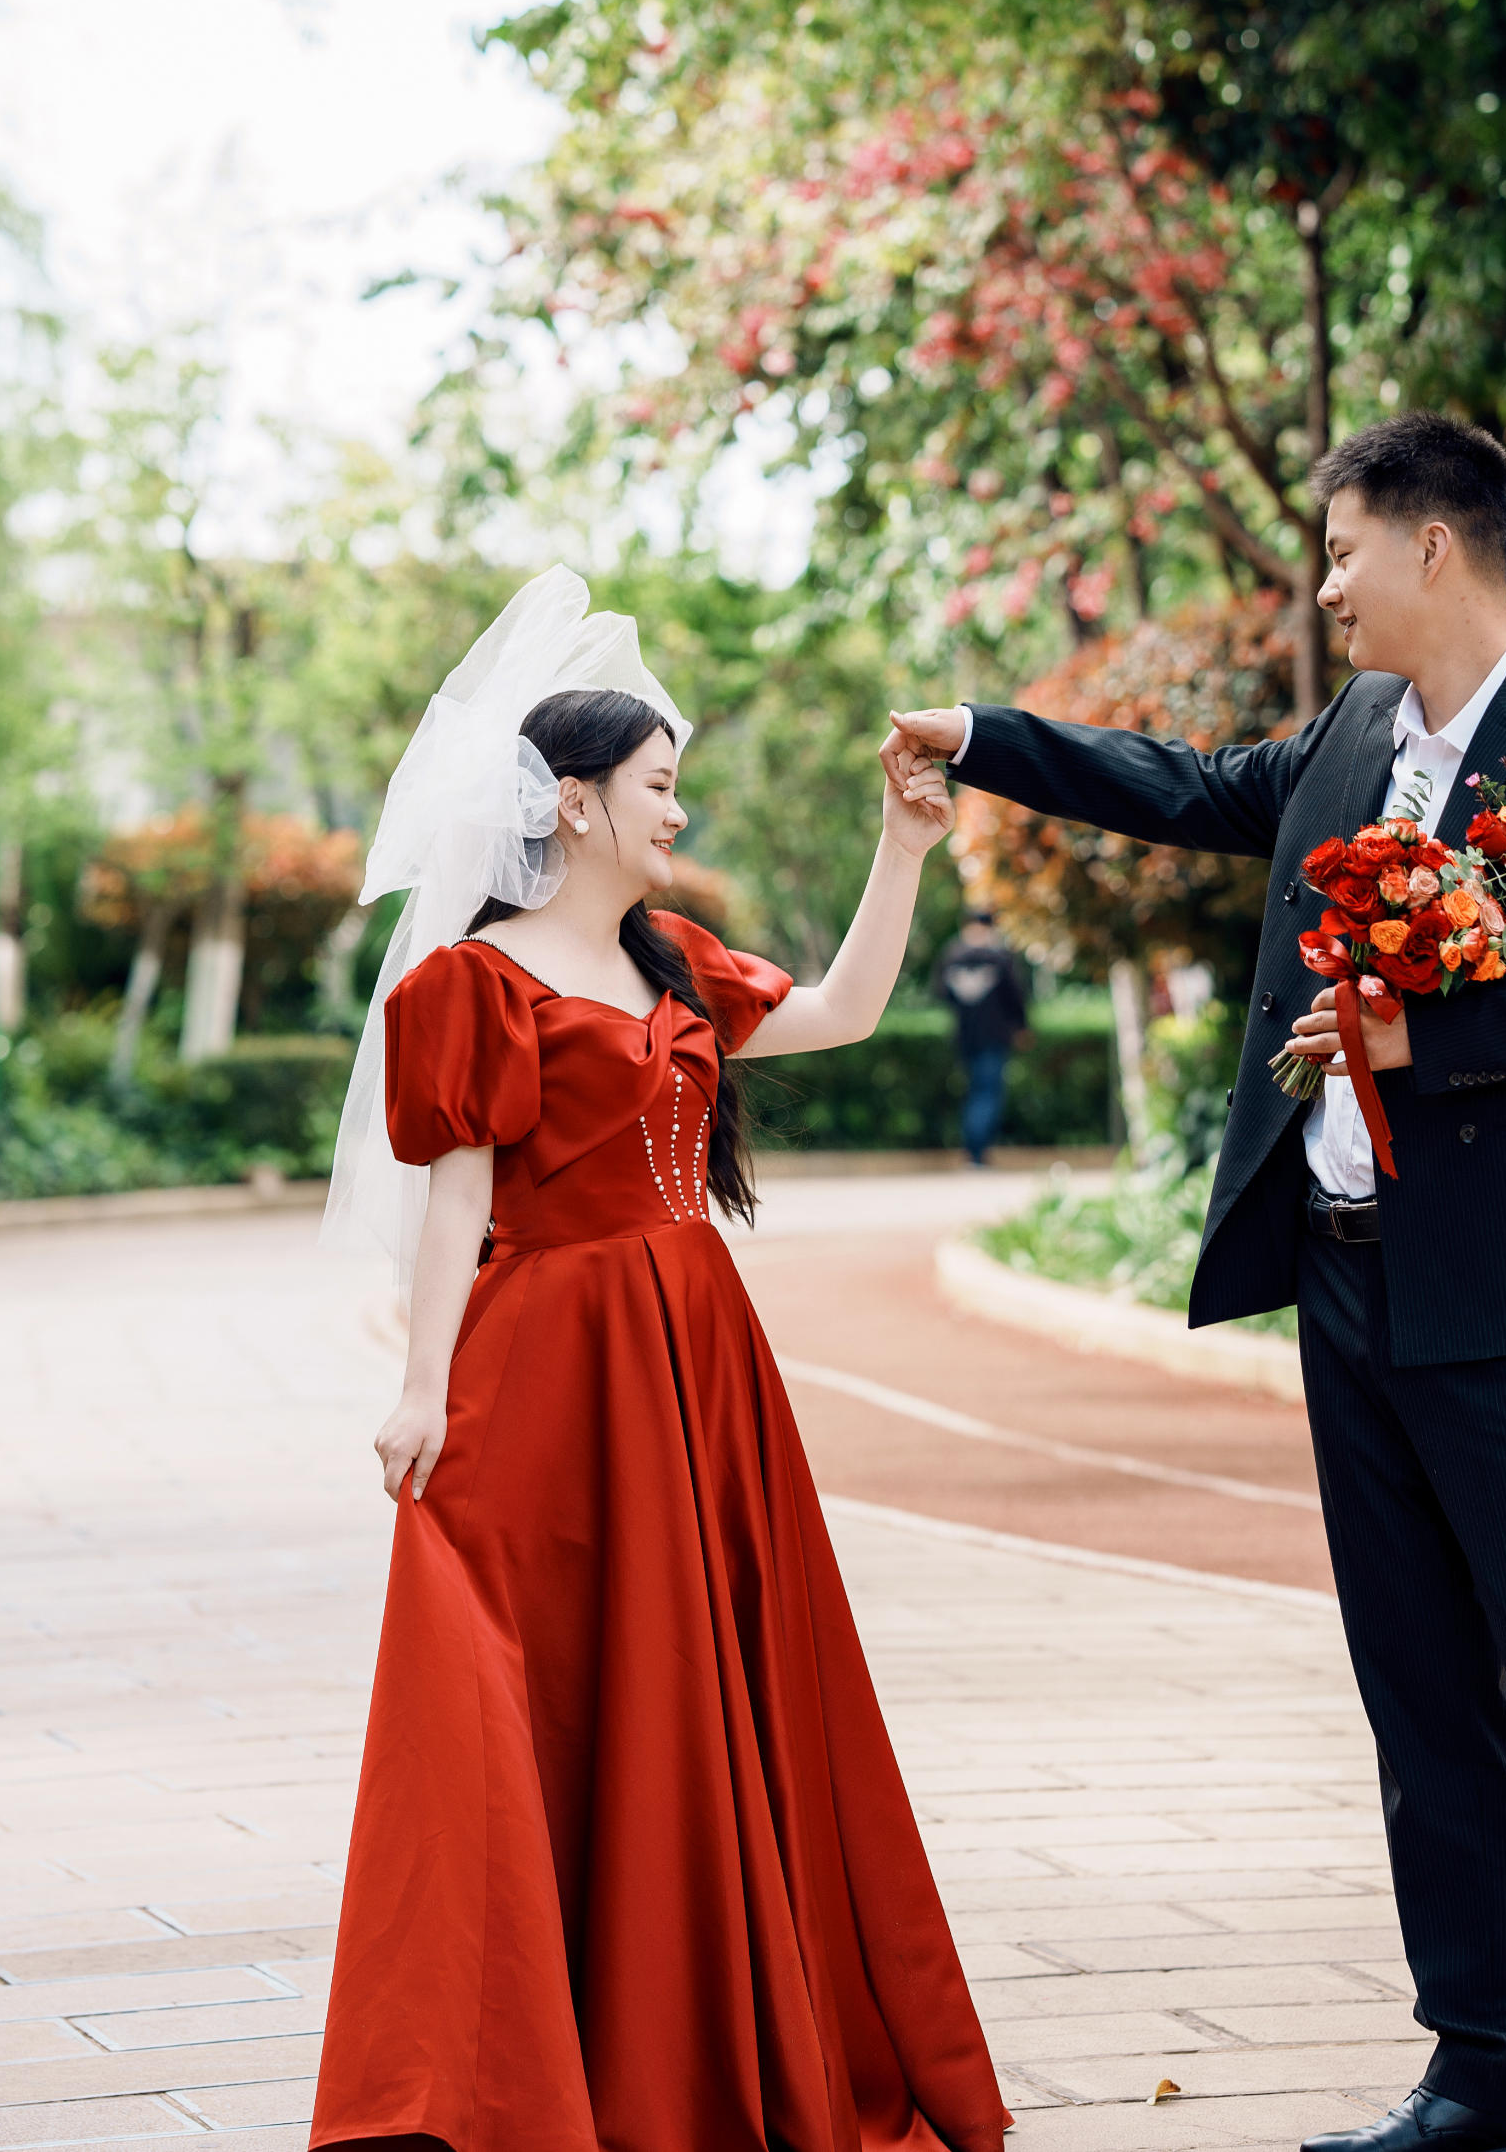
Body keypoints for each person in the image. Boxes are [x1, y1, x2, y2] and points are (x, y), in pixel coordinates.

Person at [884, 416, 1506, 2152]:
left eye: (1346, 550)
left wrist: (1436, 1033)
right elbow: (1194, 787)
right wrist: (979, 739)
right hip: (1348, 1278)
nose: (1329, 586)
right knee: (1420, 1695)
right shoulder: (1354, 731)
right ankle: (1490, 2070)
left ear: (1437, 544)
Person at [311, 571, 1006, 2152]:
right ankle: (533, 2067)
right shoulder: (469, 984)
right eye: (657, 783)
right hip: (552, 1364)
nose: (676, 810)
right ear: (574, 802)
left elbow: (842, 1009)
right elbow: (459, 1199)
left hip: (700, 1356)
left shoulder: (676, 959)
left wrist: (902, 849)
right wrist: (420, 1389)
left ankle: (705, 2043)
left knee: (716, 1681)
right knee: (563, 1686)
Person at [932, 908, 1033, 1165]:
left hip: (964, 1036)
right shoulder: (999, 958)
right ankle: (978, 1152)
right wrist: (1022, 1027)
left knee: (974, 1092)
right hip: (995, 1036)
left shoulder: (952, 955)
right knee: (987, 1093)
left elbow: (940, 994)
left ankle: (972, 1150)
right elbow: (1016, 997)